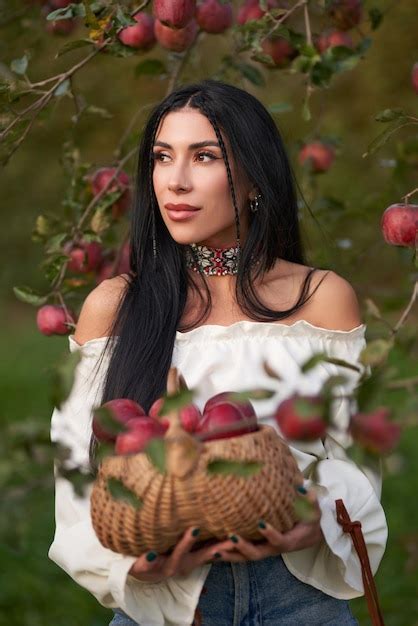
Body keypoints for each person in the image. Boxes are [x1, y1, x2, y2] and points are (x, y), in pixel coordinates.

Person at [48, 79, 388, 626]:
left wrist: (318, 521)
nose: (175, 181)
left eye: (204, 156)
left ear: (254, 176)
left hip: (297, 596)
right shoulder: (116, 306)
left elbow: (354, 462)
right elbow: (77, 468)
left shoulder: (320, 300)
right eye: (163, 157)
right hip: (168, 601)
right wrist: (129, 564)